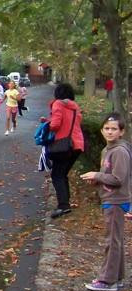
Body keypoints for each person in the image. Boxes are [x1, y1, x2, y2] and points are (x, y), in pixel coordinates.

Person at [80, 113, 130, 291]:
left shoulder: (120, 152)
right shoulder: (107, 150)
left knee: (112, 241)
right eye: (107, 128)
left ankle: (107, 281)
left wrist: (97, 175)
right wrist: (97, 180)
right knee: (116, 239)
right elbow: (107, 175)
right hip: (109, 198)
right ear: (102, 130)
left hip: (116, 200)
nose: (110, 132)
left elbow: (118, 179)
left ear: (121, 132)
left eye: (114, 129)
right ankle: (117, 276)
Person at [47, 82, 84, 219]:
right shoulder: (75, 107)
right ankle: (65, 202)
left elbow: (56, 125)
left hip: (63, 145)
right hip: (77, 144)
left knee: (57, 175)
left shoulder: (58, 104)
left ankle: (63, 206)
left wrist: (47, 125)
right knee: (62, 173)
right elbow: (76, 122)